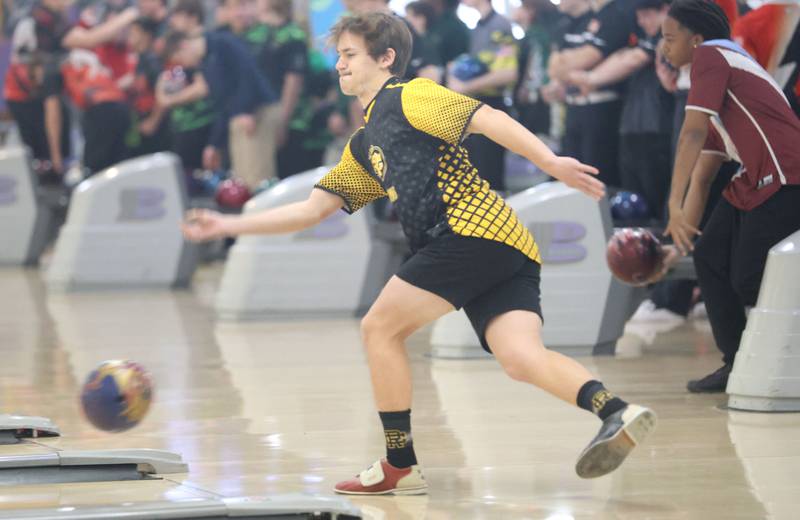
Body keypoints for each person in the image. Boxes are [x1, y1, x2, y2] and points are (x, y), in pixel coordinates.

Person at [182, 12, 656, 495]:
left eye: (350, 55)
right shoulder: (365, 143)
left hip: (466, 232)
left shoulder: (410, 95)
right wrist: (228, 224)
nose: (340, 65)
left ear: (386, 59)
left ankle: (399, 464)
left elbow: (486, 118)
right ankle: (615, 411)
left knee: (379, 328)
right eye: (338, 56)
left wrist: (550, 162)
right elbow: (310, 212)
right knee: (520, 358)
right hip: (506, 244)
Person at [660, 0, 800, 393]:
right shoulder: (719, 93)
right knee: (708, 257)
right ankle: (735, 362)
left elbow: (688, 134)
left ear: (697, 39)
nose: (664, 48)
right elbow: (702, 178)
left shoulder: (714, 54)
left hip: (788, 175)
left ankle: (781, 356)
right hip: (755, 178)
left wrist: (672, 202)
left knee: (749, 278)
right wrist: (678, 240)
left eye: (670, 39)